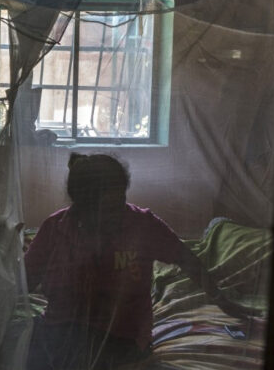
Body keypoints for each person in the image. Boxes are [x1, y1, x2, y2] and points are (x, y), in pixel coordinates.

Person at [24, 153, 251, 370]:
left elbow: (186, 259)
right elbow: (26, 278)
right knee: (25, 342)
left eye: (121, 201)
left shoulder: (142, 225)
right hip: (61, 327)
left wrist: (221, 300)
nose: (117, 214)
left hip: (122, 336)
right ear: (82, 206)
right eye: (108, 209)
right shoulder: (57, 228)